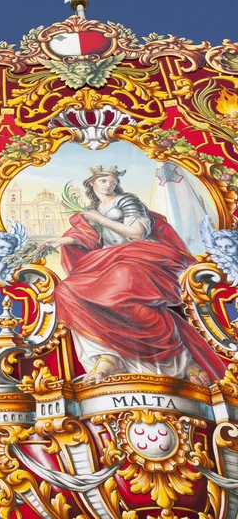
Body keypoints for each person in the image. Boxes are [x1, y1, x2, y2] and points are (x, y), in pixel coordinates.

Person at [43, 165, 226, 386]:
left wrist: (100, 219)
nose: (109, 184)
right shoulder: (93, 209)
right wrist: (61, 240)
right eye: (103, 181)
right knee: (66, 290)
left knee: (123, 281)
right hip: (106, 262)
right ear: (91, 183)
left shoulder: (127, 201)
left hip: (142, 256)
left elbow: (138, 232)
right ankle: (107, 356)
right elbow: (89, 238)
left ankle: (180, 359)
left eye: (112, 181)